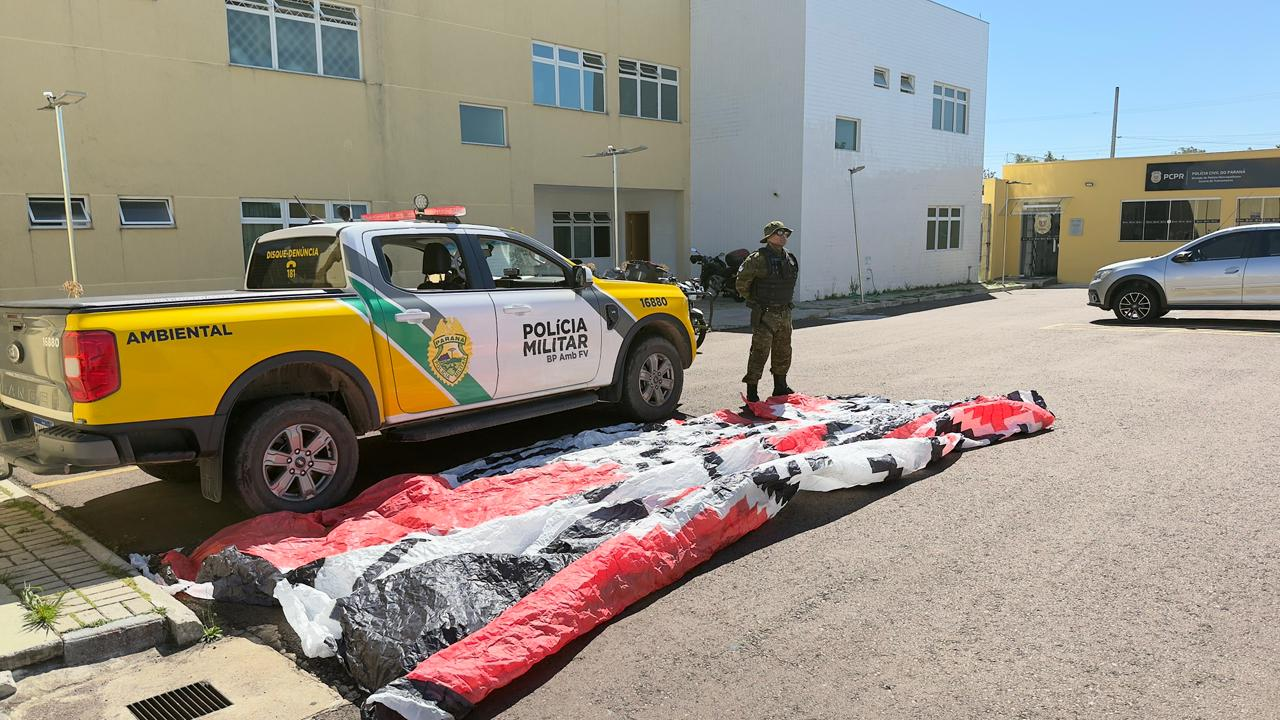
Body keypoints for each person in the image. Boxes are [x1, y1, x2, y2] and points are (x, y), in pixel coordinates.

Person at [735, 220, 799, 402]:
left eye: (786, 233)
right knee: (759, 353)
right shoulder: (757, 259)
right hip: (765, 313)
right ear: (769, 237)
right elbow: (741, 284)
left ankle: (780, 386)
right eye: (779, 233)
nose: (783, 236)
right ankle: (752, 392)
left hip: (785, 312)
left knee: (783, 351)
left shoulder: (790, 258)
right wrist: (756, 301)